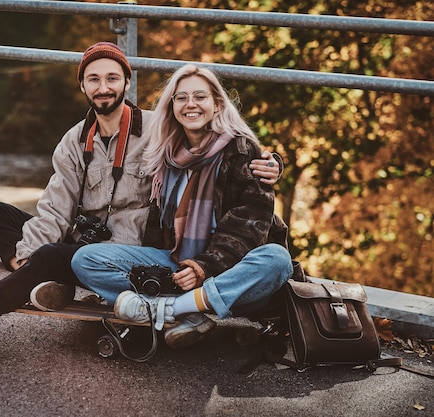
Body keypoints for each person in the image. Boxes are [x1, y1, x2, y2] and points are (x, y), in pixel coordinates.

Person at [0, 42, 281, 351]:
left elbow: (231, 164)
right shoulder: (80, 141)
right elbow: (56, 206)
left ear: (127, 83)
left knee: (274, 259)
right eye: (94, 79)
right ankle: (37, 277)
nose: (103, 87)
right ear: (82, 86)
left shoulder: (161, 133)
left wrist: (273, 161)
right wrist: (27, 258)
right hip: (96, 249)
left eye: (113, 78)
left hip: (139, 249)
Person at [71, 64, 294, 350]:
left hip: (231, 273)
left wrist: (203, 267)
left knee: (276, 259)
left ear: (216, 105)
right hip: (176, 266)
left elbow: (250, 225)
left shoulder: (242, 150)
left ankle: (172, 309)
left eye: (200, 97)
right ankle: (185, 309)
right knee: (85, 259)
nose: (191, 104)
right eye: (182, 97)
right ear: (172, 105)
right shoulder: (166, 153)